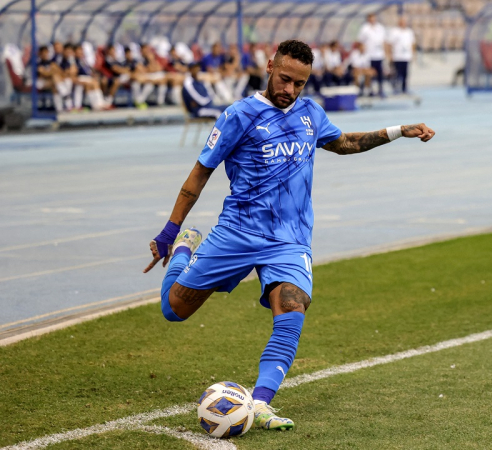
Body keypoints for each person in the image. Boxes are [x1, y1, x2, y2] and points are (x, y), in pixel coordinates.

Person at [143, 39, 435, 431]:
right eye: (284, 80)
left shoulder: (311, 113)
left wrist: (399, 130)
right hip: (238, 232)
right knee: (173, 310)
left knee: (293, 308)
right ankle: (184, 251)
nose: (290, 91)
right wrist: (169, 232)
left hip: (289, 239)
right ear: (269, 67)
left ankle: (261, 403)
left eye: (299, 84)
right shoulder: (239, 116)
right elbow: (199, 175)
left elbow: (344, 142)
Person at [358, 13, 387, 97]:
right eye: (370, 19)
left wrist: (386, 53)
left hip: (379, 55)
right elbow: (361, 42)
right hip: (369, 55)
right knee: (369, 74)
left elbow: (384, 41)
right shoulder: (364, 28)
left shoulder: (380, 28)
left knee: (380, 74)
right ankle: (368, 90)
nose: (372, 20)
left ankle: (380, 89)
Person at [388, 16, 416, 94]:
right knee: (397, 74)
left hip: (406, 56)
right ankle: (396, 88)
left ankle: (404, 88)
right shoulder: (394, 31)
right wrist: (390, 55)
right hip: (397, 56)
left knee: (405, 74)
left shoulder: (409, 32)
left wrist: (413, 54)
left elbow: (412, 44)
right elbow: (390, 44)